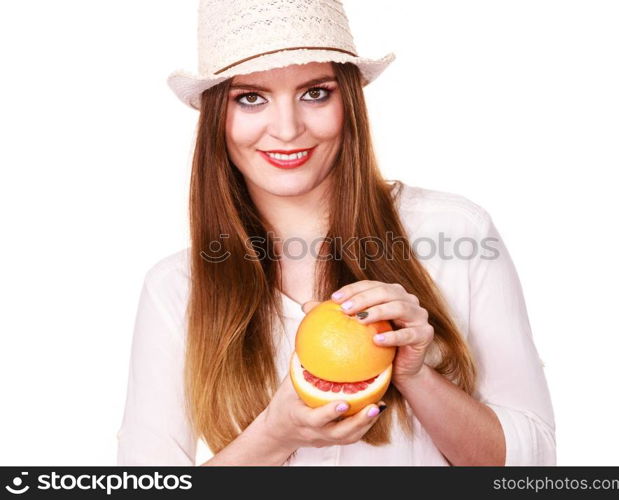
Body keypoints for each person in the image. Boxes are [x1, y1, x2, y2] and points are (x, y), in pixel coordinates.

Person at [116, 0, 556, 466]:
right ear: (215, 119)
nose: (286, 129)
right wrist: (273, 435)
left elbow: (533, 463)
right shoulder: (175, 288)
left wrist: (415, 375)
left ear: (349, 101)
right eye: (250, 97)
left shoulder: (456, 233)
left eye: (315, 93)